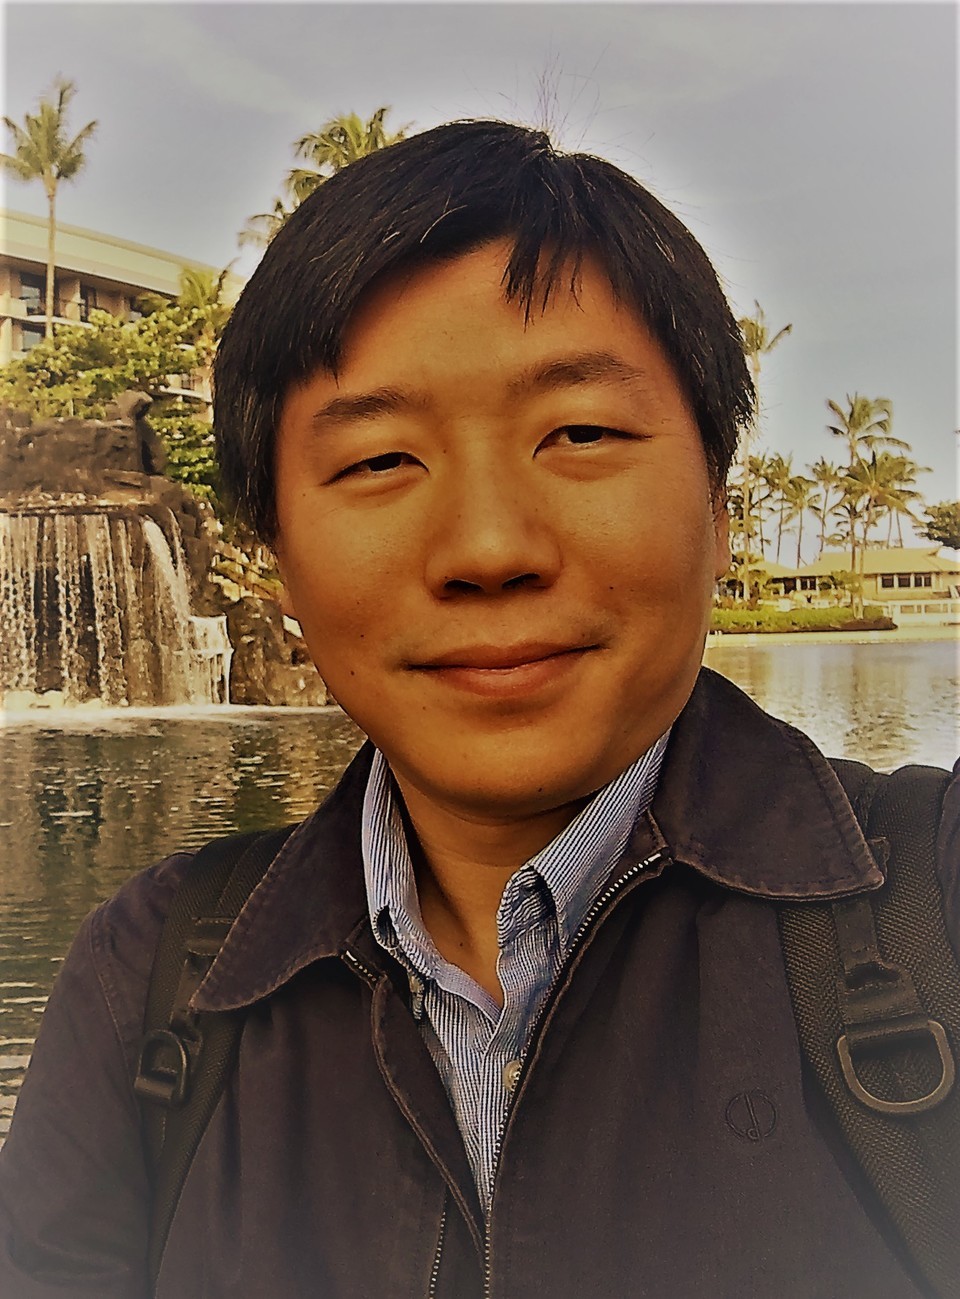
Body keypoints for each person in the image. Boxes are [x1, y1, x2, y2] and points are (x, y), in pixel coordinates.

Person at [1, 119, 957, 1299]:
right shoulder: (147, 986)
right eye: (379, 461)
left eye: (582, 434)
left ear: (720, 511)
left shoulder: (933, 901)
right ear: (277, 559)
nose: (490, 548)